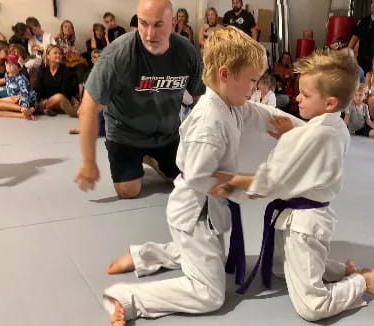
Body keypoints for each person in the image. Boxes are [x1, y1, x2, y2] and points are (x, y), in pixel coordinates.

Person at [102, 26, 304, 326]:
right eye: (251, 80)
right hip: (193, 212)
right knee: (210, 294)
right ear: (225, 74)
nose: (254, 86)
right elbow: (200, 178)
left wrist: (308, 132)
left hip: (207, 212)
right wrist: (253, 184)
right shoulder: (209, 122)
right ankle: (127, 298)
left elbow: (263, 115)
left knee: (211, 256)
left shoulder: (231, 105)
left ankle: (147, 255)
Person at [211, 48, 374, 322]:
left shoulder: (316, 135)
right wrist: (294, 132)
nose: (297, 97)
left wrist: (233, 182)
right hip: (305, 216)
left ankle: (362, 281)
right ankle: (340, 270)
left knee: (312, 307)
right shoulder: (335, 127)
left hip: (305, 224)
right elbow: (317, 140)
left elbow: (272, 180)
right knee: (278, 268)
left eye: (306, 95)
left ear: (330, 103)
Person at [75, 0, 206, 200]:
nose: (149, 34)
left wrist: (203, 144)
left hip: (167, 135)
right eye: (143, 23)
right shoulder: (118, 55)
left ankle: (150, 158)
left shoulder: (186, 52)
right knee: (129, 191)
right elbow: (88, 108)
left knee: (187, 180)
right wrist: (88, 161)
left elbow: (201, 100)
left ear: (173, 23)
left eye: (158, 25)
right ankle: (139, 157)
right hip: (125, 135)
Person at [34, 44, 78, 117]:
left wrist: (51, 100)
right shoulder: (43, 70)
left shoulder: (66, 70)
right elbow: (38, 88)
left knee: (59, 97)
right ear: (48, 56)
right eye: (55, 53)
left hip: (61, 101)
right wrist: (41, 100)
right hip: (45, 100)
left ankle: (43, 109)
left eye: (60, 54)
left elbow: (65, 92)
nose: (58, 55)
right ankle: (46, 108)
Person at [0, 53, 36, 120]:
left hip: (22, 100)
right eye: (7, 63)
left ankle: (24, 110)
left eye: (12, 64)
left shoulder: (21, 79)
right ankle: (22, 115)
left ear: (19, 67)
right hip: (12, 97)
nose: (8, 65)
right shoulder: (7, 75)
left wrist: (24, 106)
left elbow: (24, 93)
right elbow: (8, 86)